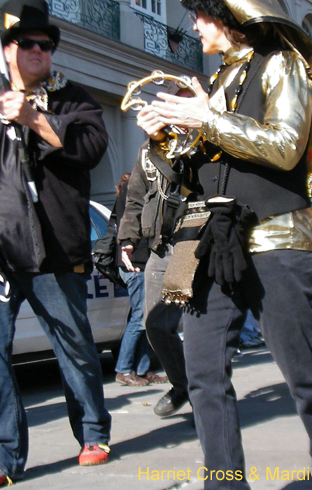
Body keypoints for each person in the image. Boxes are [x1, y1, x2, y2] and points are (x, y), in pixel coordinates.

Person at [143, 0, 312, 490]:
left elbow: (283, 146)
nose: (193, 27)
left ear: (230, 15)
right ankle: (224, 483)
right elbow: (194, 170)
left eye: (201, 15)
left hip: (277, 234)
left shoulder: (282, 64)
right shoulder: (213, 83)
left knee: (301, 367)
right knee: (203, 372)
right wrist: (166, 137)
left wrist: (204, 119)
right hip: (207, 237)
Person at [0, 0, 111, 489]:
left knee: (73, 344)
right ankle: (0, 453)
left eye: (47, 44)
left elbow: (91, 149)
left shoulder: (74, 98)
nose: (39, 50)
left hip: (53, 248)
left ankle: (93, 430)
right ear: (8, 49)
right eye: (28, 42)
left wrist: (36, 120)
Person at [117, 140, 190, 417]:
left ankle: (207, 398)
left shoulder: (201, 136)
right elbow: (134, 197)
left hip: (191, 246)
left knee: (198, 329)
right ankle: (183, 384)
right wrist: (127, 238)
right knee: (154, 324)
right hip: (160, 247)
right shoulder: (148, 149)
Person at [110, 172, 161, 387]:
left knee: (141, 318)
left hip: (133, 263)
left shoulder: (124, 197)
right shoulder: (134, 196)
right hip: (135, 264)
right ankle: (124, 369)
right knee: (140, 318)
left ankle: (142, 369)